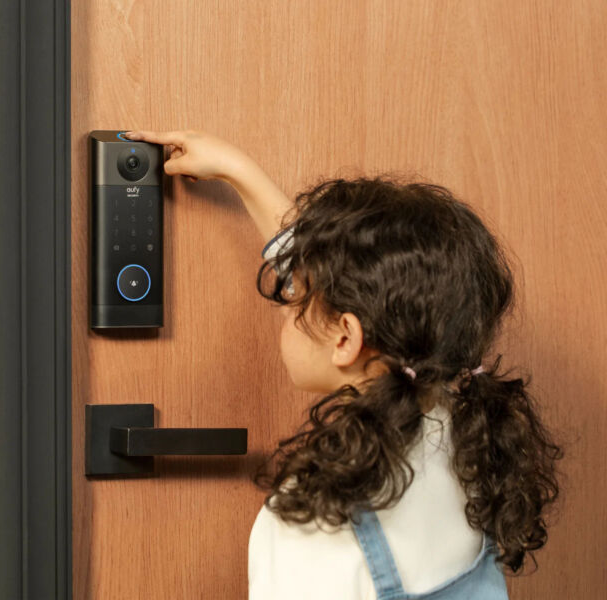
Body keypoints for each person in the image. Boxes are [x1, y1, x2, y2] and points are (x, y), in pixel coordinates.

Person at [122, 129, 563, 600]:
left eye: (292, 297)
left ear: (347, 336)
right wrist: (239, 171)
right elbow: (358, 283)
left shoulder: (318, 521)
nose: (287, 302)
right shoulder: (468, 435)